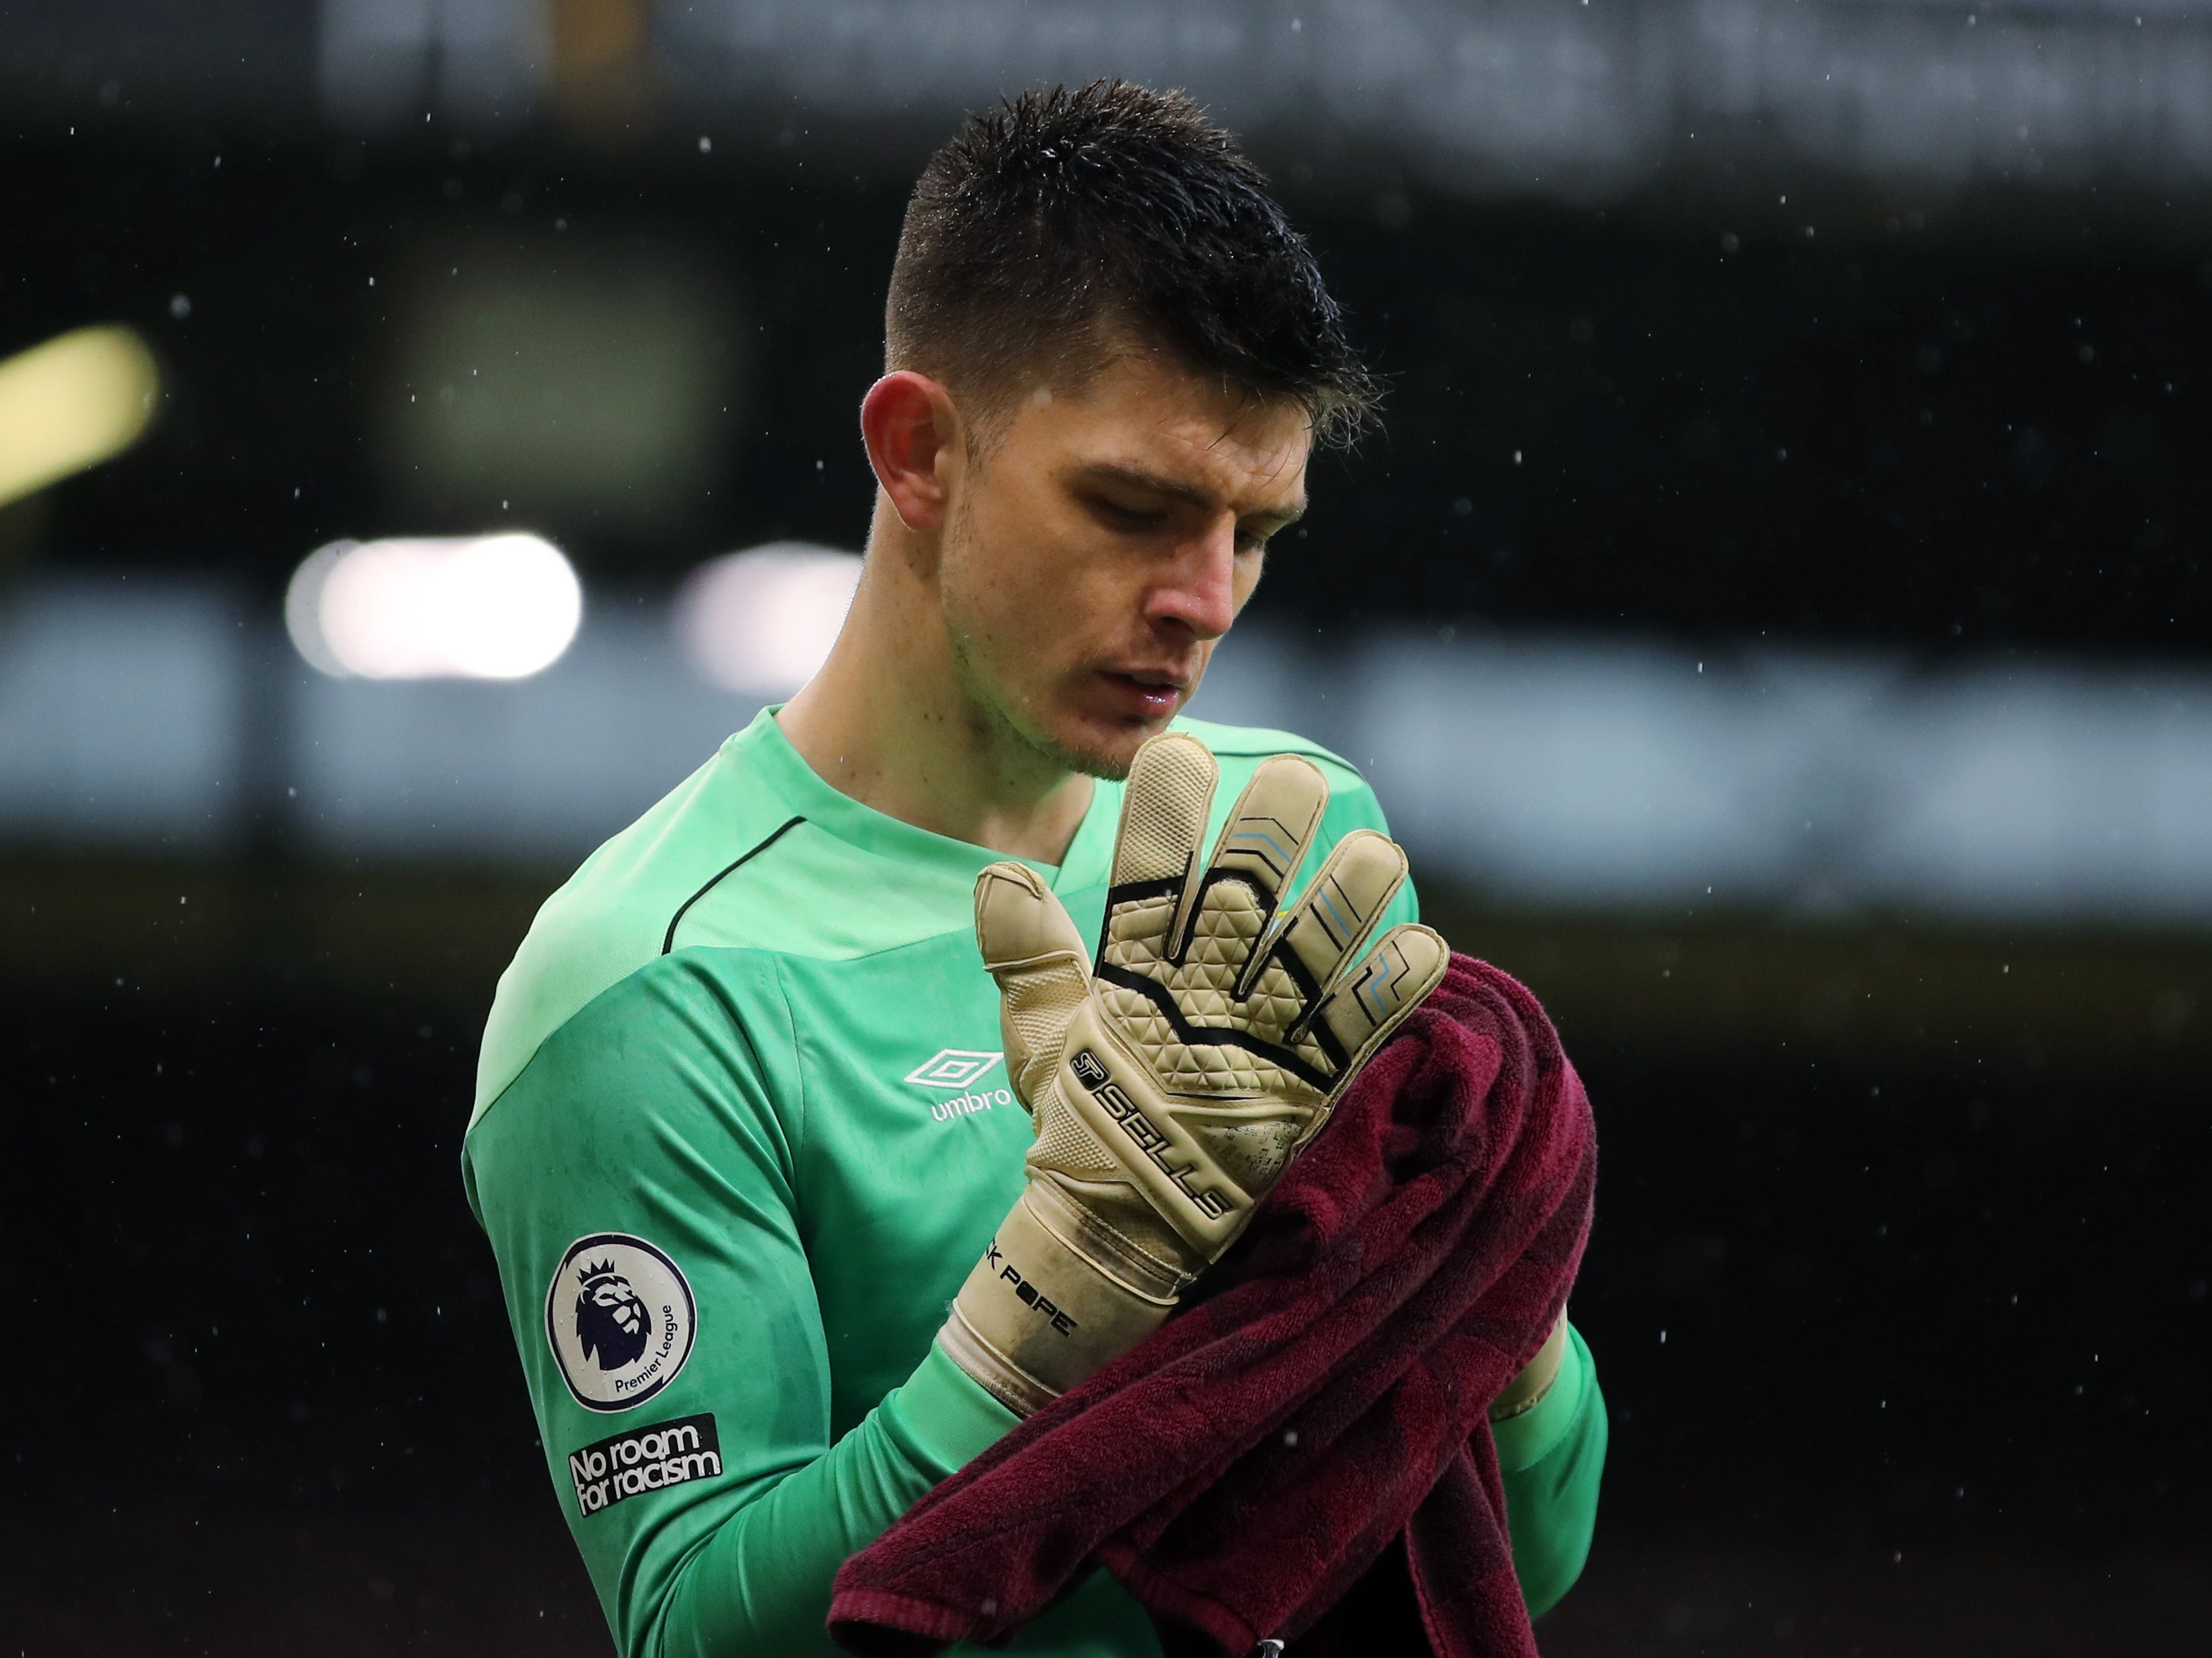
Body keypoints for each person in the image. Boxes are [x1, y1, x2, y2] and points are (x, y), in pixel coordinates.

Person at [463, 80, 1605, 1658]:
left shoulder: (1296, 839)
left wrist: (1476, 1280)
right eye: (1134, 507)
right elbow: (700, 1636)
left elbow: (1522, 1551)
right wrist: (1053, 1318)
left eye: (1257, 529)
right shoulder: (649, 986)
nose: (1206, 598)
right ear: (920, 448)